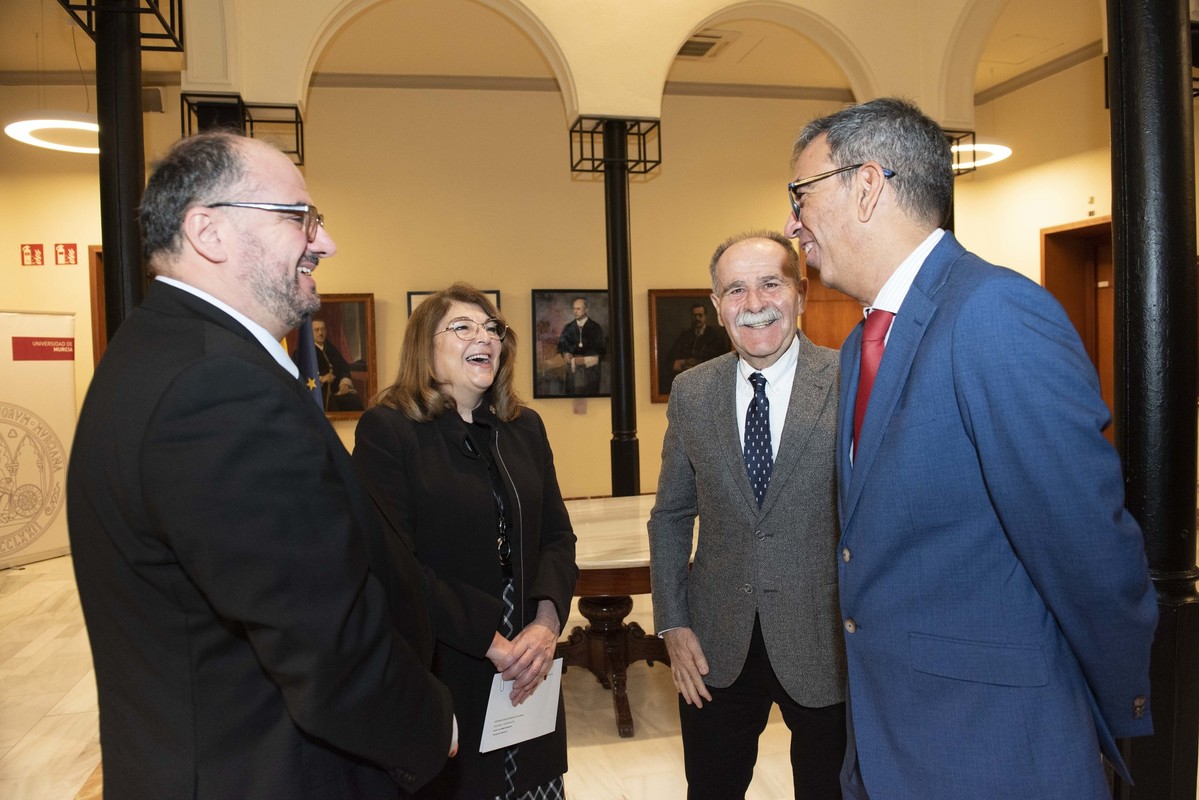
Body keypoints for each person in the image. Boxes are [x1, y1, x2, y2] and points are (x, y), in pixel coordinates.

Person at [784, 97, 1157, 798]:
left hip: (997, 750)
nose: (790, 222)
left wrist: (1109, 716)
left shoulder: (991, 314)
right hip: (893, 745)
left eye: (800, 195)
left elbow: (1084, 548)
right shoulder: (862, 345)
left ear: (866, 187)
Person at [66, 131, 454, 799]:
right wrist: (429, 724)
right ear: (209, 231)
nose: (323, 243)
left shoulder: (163, 350)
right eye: (299, 217)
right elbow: (321, 643)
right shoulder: (216, 387)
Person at [353, 282, 578, 799]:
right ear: (423, 349)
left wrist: (545, 628)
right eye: (463, 327)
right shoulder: (388, 431)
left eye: (492, 328)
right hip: (449, 670)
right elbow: (395, 566)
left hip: (529, 674)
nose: (485, 337)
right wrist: (495, 646)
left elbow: (557, 537)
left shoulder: (525, 428)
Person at [648, 230, 846, 800]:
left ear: (800, 294)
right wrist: (671, 620)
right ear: (716, 306)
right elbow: (670, 516)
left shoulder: (849, 380)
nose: (754, 303)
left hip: (825, 640)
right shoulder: (691, 392)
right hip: (715, 644)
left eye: (769, 284)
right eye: (736, 289)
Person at [662, 302, 729, 393]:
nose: (697, 318)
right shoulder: (685, 336)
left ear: (706, 317)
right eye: (694, 316)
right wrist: (684, 362)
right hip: (688, 382)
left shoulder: (716, 336)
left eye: (700, 315)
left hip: (709, 383)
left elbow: (722, 360)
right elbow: (671, 359)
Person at [308, 316, 364, 411]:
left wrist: (344, 385)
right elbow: (302, 372)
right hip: (318, 391)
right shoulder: (305, 352)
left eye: (323, 330)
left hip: (338, 391)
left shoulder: (331, 349)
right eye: (316, 330)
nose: (320, 333)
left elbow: (344, 369)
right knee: (331, 403)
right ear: (310, 333)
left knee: (354, 401)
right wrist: (321, 379)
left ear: (326, 331)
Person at [555, 296, 605, 394]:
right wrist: (565, 354)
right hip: (572, 373)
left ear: (586, 309)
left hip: (590, 373)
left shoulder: (596, 328)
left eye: (578, 309)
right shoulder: (568, 327)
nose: (575, 311)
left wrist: (585, 360)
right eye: (574, 308)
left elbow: (602, 351)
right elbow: (562, 346)